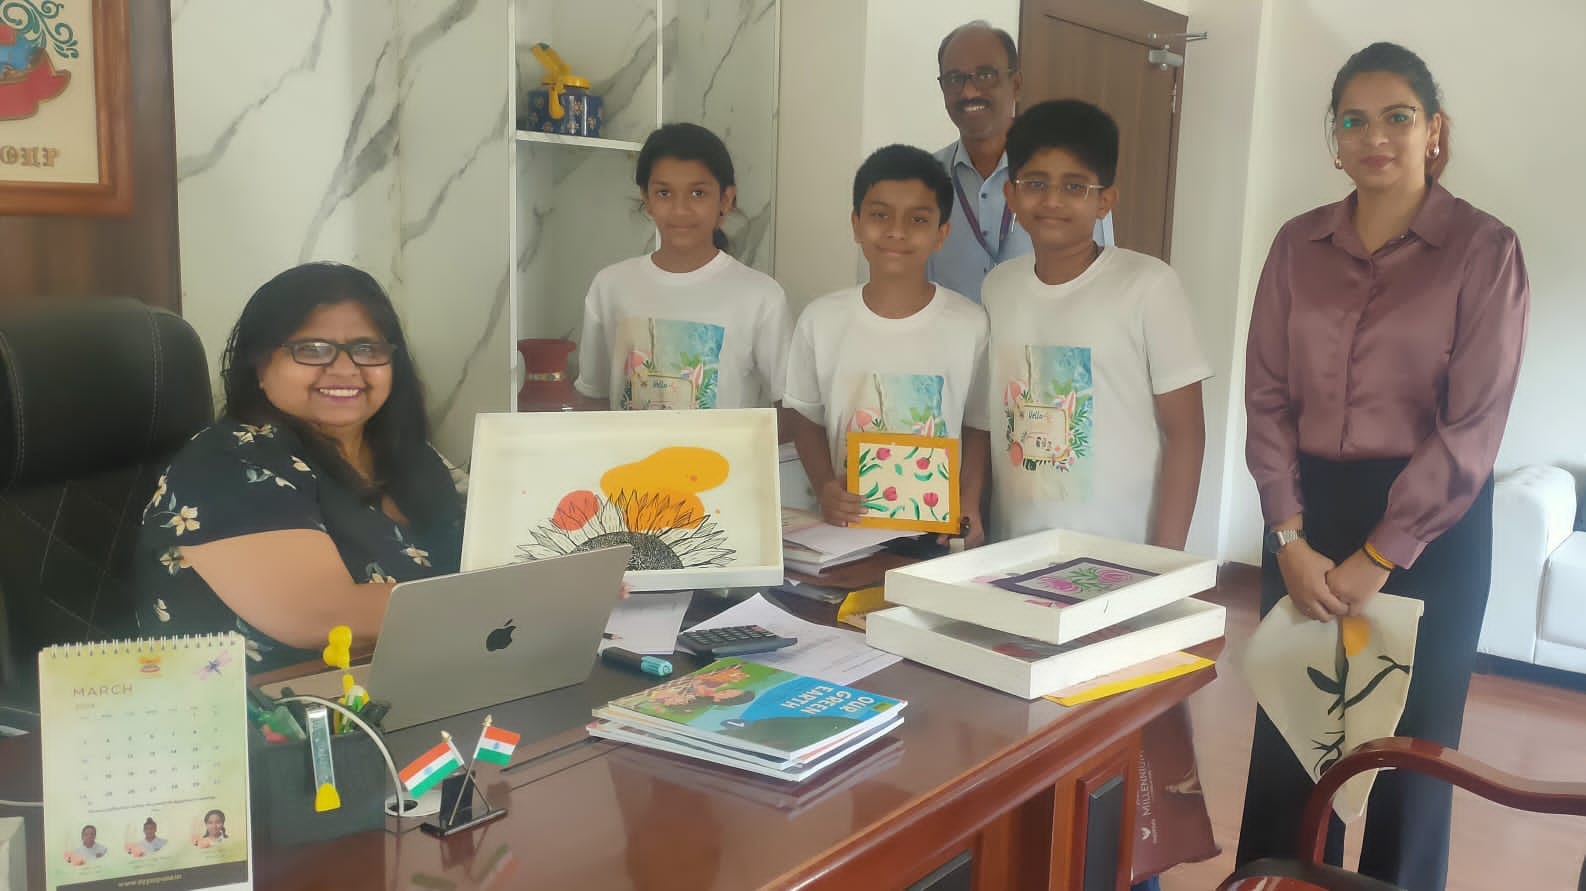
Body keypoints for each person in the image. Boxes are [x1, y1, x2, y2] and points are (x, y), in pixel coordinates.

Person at [1238, 43, 1528, 891]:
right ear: (1333, 138)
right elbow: (1266, 396)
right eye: (1353, 120)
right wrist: (1288, 535)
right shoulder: (1297, 245)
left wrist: (1380, 554)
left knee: (1409, 759)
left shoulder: (1484, 249)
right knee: (1293, 741)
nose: (1375, 137)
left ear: (1433, 130)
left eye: (1397, 117)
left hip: (1431, 528)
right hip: (1304, 516)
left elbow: (1473, 425)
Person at [135, 263, 465, 672]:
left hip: (425, 685)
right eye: (311, 349)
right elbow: (326, 615)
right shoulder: (225, 465)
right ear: (259, 365)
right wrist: (498, 602)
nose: (345, 368)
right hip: (268, 706)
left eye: (367, 349)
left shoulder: (412, 456)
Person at [980, 99, 1209, 549]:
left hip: (1119, 551)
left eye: (1074, 186)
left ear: (1105, 201)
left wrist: (1165, 561)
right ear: (1011, 195)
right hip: (1015, 549)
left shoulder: (1148, 286)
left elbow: (1186, 435)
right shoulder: (998, 288)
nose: (1052, 200)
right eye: (1035, 183)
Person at [783, 144, 990, 546]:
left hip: (937, 533)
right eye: (880, 215)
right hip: (846, 533)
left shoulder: (969, 324)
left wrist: (969, 499)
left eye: (918, 219)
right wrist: (825, 486)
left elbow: (978, 425)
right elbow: (805, 416)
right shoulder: (821, 320)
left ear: (941, 234)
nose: (897, 231)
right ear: (856, 224)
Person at [574, 123, 792, 413]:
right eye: (664, 193)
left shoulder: (762, 297)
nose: (680, 209)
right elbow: (593, 398)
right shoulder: (610, 286)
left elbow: (789, 407)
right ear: (647, 198)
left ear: (725, 200)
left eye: (698, 193)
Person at [929, 21, 1114, 304]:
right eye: (955, 78)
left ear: (1015, 85)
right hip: (953, 333)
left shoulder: (1074, 179)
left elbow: (1100, 283)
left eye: (985, 75)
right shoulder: (925, 181)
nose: (969, 92)